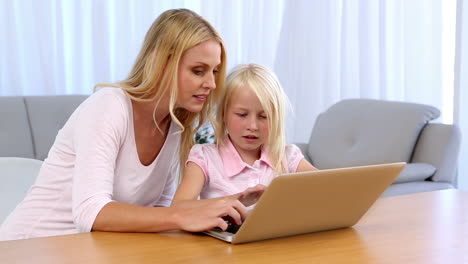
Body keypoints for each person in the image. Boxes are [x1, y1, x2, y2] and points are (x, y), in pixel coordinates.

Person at [0, 9, 248, 241]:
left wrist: (218, 208)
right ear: (163, 64)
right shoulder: (108, 107)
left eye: (214, 71)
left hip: (89, 250)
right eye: (198, 70)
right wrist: (182, 216)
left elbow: (158, 209)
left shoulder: (174, 126)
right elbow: (91, 211)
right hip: (27, 247)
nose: (212, 84)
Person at [171, 64, 317, 209]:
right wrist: (235, 200)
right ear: (224, 115)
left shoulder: (287, 156)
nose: (252, 126)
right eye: (242, 115)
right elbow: (179, 207)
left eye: (263, 116)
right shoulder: (205, 157)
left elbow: (328, 187)